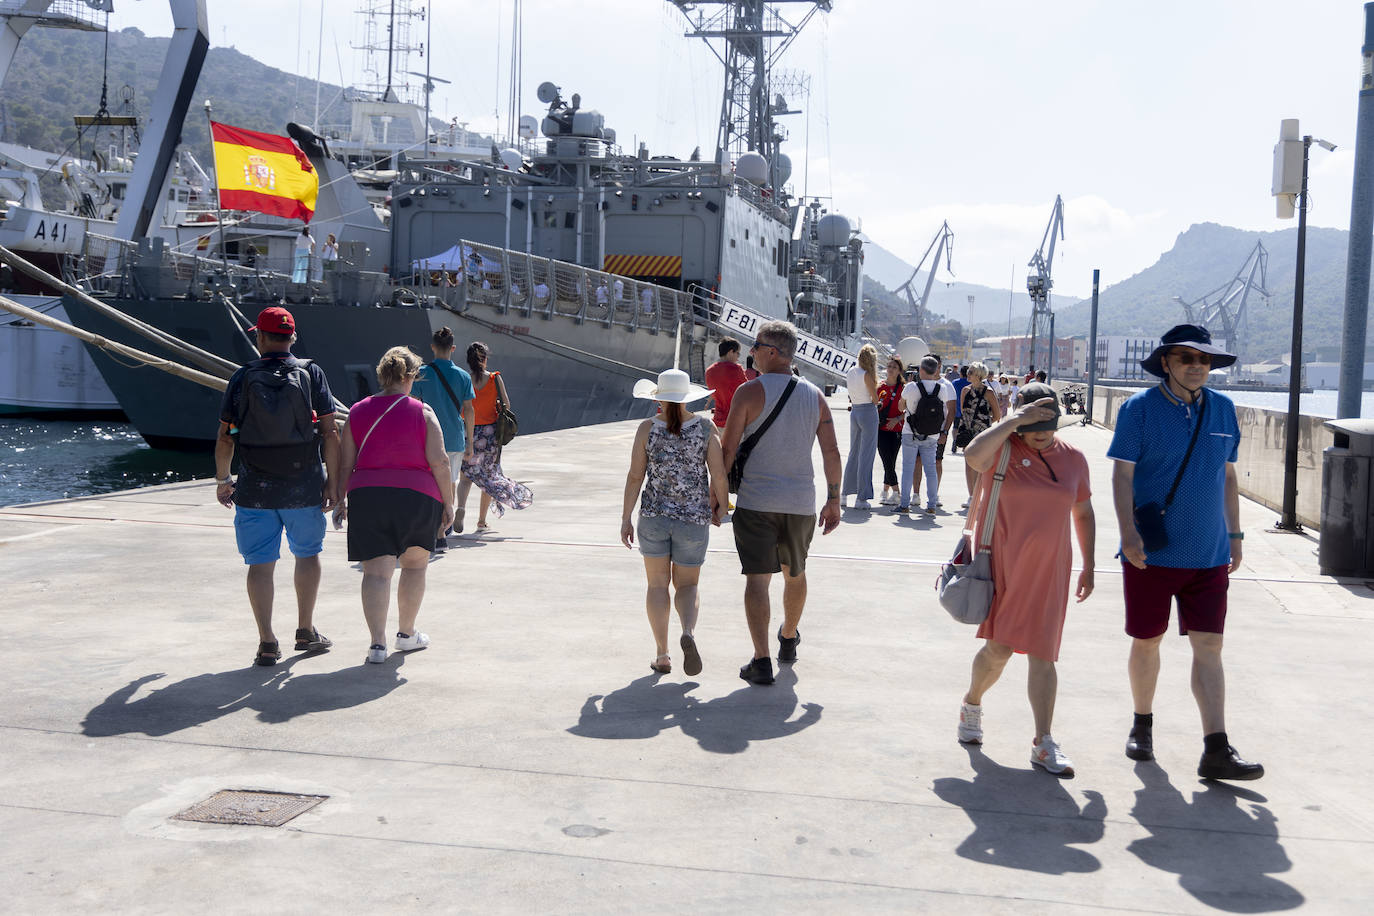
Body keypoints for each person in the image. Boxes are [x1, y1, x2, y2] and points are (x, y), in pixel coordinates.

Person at [1107, 324, 1261, 781]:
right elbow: (1122, 477)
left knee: (1210, 646)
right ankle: (1142, 724)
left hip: (1210, 554)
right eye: (1186, 359)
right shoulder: (1138, 410)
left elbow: (1228, 477)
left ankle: (1216, 747)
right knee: (1147, 640)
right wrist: (1128, 535)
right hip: (1151, 553)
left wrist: (1235, 537)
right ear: (1167, 364)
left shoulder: (1225, 409)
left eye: (1204, 360)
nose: (1197, 367)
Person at [957, 382, 1095, 777]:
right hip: (1003, 564)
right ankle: (972, 704)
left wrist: (1088, 563)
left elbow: (1083, 513)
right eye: (1033, 423)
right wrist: (1014, 419)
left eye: (1047, 424)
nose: (1041, 432)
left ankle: (1043, 741)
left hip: (1051, 568)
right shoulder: (1002, 451)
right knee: (998, 650)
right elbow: (972, 455)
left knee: (1044, 654)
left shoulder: (1074, 460)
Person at [214, 306, 340, 666]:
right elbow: (329, 432)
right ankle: (305, 629)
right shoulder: (312, 372)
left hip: (255, 488)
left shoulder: (242, 377)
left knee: (260, 564)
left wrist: (224, 481)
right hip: (303, 485)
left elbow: (225, 438)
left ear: (260, 338)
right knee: (307, 554)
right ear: (292, 339)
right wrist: (333, 481)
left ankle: (267, 641)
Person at [721, 320, 842, 686]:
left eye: (755, 346)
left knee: (758, 580)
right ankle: (788, 636)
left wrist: (718, 494)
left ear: (772, 352)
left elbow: (727, 449)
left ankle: (762, 661)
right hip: (800, 503)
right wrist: (834, 500)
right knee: (795, 572)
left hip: (757, 501)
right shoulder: (816, 397)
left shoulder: (748, 392)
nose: (752, 351)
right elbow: (832, 451)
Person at [333, 347, 453, 663]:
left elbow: (346, 463)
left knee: (376, 572)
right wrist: (449, 503)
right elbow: (440, 462)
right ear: (410, 377)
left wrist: (341, 497)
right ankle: (407, 634)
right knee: (414, 565)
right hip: (417, 496)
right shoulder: (423, 412)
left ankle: (376, 644)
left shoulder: (357, 411)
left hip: (368, 495)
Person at [620, 369, 729, 675]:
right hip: (693, 519)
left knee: (657, 585)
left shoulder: (646, 428)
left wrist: (626, 518)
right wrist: (721, 508)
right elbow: (719, 475)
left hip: (654, 517)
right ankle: (688, 632)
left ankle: (662, 654)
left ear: (659, 397)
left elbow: (634, 477)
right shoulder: (706, 428)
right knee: (688, 585)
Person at [458, 341, 533, 531]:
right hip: (490, 435)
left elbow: (462, 408)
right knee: (489, 478)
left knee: (466, 477)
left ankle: (460, 508)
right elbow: (506, 405)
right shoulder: (494, 378)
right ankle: (481, 521)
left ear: (469, 360)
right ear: (485, 359)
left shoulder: (465, 379)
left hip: (469, 432)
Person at [412, 327, 476, 545]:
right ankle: (444, 526)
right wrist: (470, 443)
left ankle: (432, 526)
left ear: (432, 347)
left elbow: (413, 405)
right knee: (450, 482)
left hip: (427, 437)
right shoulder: (463, 376)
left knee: (428, 481)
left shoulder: (422, 373)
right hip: (455, 437)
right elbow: (468, 410)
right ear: (453, 348)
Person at [896, 355, 954, 514]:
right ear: (936, 370)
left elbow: (901, 407)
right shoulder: (942, 389)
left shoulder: (911, 387)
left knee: (907, 469)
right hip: (932, 434)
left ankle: (904, 505)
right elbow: (945, 411)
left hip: (910, 432)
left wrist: (907, 390)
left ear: (921, 370)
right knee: (930, 469)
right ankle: (931, 505)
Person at [957, 362, 1003, 507]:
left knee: (982, 465)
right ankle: (972, 496)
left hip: (982, 433)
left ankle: (982, 496)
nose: (968, 374)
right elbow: (964, 411)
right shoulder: (965, 390)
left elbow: (997, 415)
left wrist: (983, 425)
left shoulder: (988, 392)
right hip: (968, 431)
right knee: (969, 464)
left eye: (971, 372)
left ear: (978, 375)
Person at [841, 344, 880, 510]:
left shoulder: (851, 372)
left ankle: (844, 494)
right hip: (868, 412)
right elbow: (875, 399)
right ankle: (861, 497)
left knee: (854, 453)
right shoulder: (866, 375)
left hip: (855, 411)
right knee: (867, 455)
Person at [875, 355, 906, 505]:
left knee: (891, 462)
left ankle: (885, 491)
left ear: (900, 370)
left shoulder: (903, 389)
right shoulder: (880, 387)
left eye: (894, 367)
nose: (891, 369)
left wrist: (897, 419)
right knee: (886, 460)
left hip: (896, 429)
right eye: (889, 366)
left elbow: (909, 410)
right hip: (880, 429)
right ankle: (896, 492)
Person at [704, 337, 748, 429]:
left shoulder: (709, 371)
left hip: (717, 421)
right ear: (731, 352)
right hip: (735, 421)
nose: (738, 358)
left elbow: (715, 394)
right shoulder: (736, 369)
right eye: (738, 354)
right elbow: (748, 392)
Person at [949, 365, 971, 455]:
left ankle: (955, 441)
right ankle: (965, 445)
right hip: (968, 410)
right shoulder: (971, 383)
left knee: (955, 427)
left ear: (961, 373)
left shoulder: (955, 382)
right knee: (967, 428)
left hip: (957, 409)